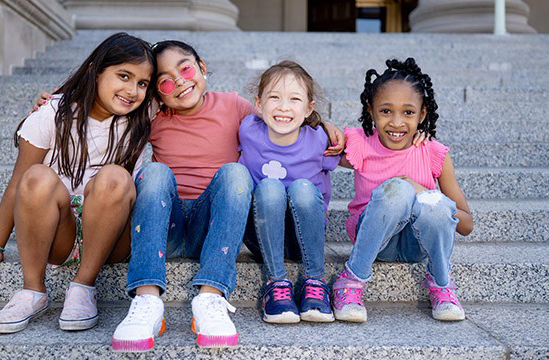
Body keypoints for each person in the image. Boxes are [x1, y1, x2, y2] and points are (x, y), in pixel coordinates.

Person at [110, 41, 345, 352]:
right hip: (168, 224)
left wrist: (321, 124)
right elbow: (106, 101)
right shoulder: (153, 117)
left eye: (186, 68)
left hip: (215, 225)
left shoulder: (234, 106)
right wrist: (54, 102)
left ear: (203, 67)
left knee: (236, 174)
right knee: (154, 174)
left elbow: (282, 118)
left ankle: (210, 296)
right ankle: (146, 300)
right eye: (165, 80)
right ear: (157, 93)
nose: (180, 81)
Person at [0, 32, 156, 334]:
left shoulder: (141, 120)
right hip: (57, 235)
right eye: (123, 75)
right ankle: (32, 290)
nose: (132, 90)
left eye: (142, 83)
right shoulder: (53, 113)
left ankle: (83, 286)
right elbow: (18, 184)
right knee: (36, 176)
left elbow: (182, 88)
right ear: (95, 69)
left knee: (115, 176)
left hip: (111, 237)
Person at [332, 58, 474, 323]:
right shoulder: (361, 144)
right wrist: (327, 127)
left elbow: (466, 224)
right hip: (374, 241)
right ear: (370, 111)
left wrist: (420, 190)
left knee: (432, 202)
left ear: (422, 115)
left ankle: (442, 286)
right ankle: (351, 281)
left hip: (416, 245)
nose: (396, 122)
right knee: (397, 190)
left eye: (408, 113)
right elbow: (313, 145)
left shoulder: (433, 153)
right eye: (386, 111)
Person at [238, 61, 341, 324]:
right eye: (274, 97)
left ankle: (315, 281)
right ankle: (276, 284)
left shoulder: (319, 139)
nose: (284, 107)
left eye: (294, 99)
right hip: (260, 235)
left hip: (302, 238)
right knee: (269, 188)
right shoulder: (248, 129)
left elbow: (359, 154)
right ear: (258, 104)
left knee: (302, 188)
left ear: (308, 109)